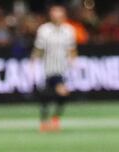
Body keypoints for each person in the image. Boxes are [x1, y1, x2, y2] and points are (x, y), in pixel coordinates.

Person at [32, 4, 77, 132]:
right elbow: (38, 49)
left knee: (62, 95)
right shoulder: (44, 30)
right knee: (45, 97)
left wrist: (74, 62)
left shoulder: (69, 30)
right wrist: (33, 63)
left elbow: (71, 49)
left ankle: (54, 120)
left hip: (62, 69)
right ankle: (45, 122)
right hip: (46, 69)